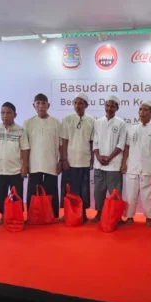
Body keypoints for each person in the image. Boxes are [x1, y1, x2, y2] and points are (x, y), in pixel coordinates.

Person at [0, 102, 29, 225]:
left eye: (8, 113)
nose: (5, 115)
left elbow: (25, 149)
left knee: (17, 195)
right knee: (1, 194)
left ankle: (18, 216)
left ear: (15, 115)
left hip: (16, 169)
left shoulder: (20, 130)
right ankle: (3, 216)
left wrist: (24, 166)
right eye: (3, 113)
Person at [121, 102, 151, 226]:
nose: (142, 112)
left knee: (148, 195)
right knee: (130, 195)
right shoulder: (131, 128)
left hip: (148, 167)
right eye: (140, 110)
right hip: (132, 167)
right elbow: (127, 148)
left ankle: (149, 218)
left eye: (145, 110)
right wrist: (123, 163)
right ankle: (129, 217)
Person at [24, 93, 63, 220]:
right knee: (33, 191)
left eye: (43, 103)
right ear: (34, 106)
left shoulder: (56, 123)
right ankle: (33, 216)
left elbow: (61, 145)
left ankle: (52, 216)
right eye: (38, 103)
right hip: (34, 164)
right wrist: (24, 164)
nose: (41, 106)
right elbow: (24, 146)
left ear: (48, 105)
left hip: (51, 163)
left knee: (51, 191)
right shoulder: (28, 123)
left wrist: (60, 161)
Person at [60, 92, 95, 221]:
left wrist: (92, 158)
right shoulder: (67, 119)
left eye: (80, 103)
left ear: (86, 105)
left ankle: (83, 214)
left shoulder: (91, 120)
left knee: (83, 189)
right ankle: (68, 213)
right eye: (75, 102)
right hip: (70, 160)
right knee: (68, 188)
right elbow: (64, 140)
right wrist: (64, 158)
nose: (77, 105)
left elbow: (92, 142)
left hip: (84, 160)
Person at [92, 95, 127, 222]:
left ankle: (116, 216)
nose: (109, 108)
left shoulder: (121, 123)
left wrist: (110, 157)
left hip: (114, 164)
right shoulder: (97, 122)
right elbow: (95, 142)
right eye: (107, 105)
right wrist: (98, 157)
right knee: (98, 191)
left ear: (117, 108)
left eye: (112, 106)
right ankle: (99, 213)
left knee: (115, 193)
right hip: (99, 164)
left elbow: (121, 144)